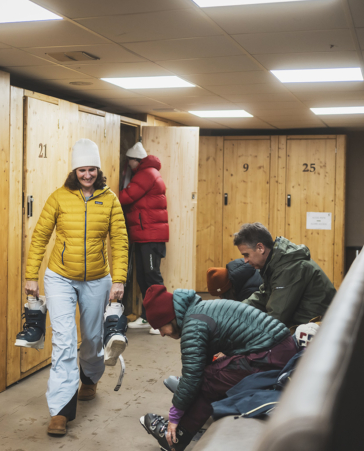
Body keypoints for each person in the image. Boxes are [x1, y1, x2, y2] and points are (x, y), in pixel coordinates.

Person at [23, 138, 129, 436]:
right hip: (60, 277)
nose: (87, 175)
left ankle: (90, 378)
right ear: (74, 170)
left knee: (93, 339)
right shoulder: (59, 197)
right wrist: (31, 275)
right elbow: (41, 237)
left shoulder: (109, 199)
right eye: (82, 170)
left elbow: (120, 241)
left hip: (97, 278)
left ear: (98, 169)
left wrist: (118, 279)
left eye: (91, 169)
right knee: (65, 342)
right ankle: (60, 411)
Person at [139, 285, 298, 451]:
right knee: (211, 373)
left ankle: (175, 438)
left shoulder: (193, 325)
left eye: (160, 327)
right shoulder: (198, 311)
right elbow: (200, 365)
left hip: (269, 356)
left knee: (209, 380)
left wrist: (174, 415)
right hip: (278, 349)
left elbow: (193, 376)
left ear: (169, 317)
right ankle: (183, 428)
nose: (162, 334)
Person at [234, 222, 336, 327]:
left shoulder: (289, 267)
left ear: (260, 248)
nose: (245, 261)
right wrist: (234, 310)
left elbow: (276, 318)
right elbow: (263, 296)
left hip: (318, 331)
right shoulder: (276, 263)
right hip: (304, 325)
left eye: (246, 255)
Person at [119, 142, 169, 335]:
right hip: (144, 234)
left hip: (150, 235)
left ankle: (164, 319)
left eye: (130, 161)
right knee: (143, 277)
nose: (129, 165)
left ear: (136, 160)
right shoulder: (146, 172)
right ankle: (148, 317)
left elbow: (125, 197)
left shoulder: (146, 174)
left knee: (152, 277)